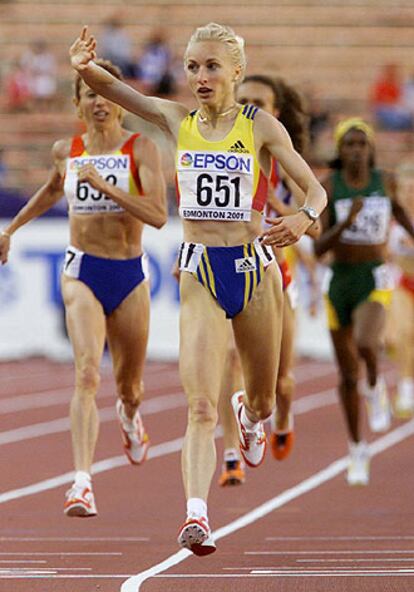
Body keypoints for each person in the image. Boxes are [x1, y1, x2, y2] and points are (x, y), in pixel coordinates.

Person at [69, 23, 327, 555]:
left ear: (236, 70)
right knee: (200, 406)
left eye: (211, 66)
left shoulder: (260, 126)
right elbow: (123, 93)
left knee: (260, 399)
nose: (201, 77)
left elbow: (315, 191)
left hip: (255, 271)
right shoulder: (177, 118)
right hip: (200, 272)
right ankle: (196, 515)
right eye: (191, 67)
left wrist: (303, 219)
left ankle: (252, 418)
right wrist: (83, 67)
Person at [0, 59, 167, 516]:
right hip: (81, 271)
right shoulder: (66, 150)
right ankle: (82, 483)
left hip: (129, 272)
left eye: (105, 93)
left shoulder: (141, 149)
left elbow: (157, 215)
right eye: (89, 93)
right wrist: (11, 229)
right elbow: (54, 190)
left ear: (119, 101)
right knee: (88, 373)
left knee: (130, 387)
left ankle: (131, 416)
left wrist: (106, 186)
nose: (98, 101)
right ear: (78, 103)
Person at [217, 74, 318, 487]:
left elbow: (314, 225)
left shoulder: (285, 161)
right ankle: (229, 457)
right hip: (230, 268)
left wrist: (278, 206)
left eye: (259, 101)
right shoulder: (220, 147)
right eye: (243, 100)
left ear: (275, 112)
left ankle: (282, 419)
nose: (249, 107)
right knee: (231, 359)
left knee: (281, 382)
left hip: (277, 275)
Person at [314, 117, 414, 486]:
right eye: (349, 144)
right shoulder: (329, 186)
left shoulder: (383, 182)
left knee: (367, 343)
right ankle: (357, 447)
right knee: (345, 375)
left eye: (362, 143)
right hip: (339, 280)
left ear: (370, 149)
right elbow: (319, 246)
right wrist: (346, 221)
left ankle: (375, 386)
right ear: (340, 151)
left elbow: (401, 215)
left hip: (373, 276)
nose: (356, 150)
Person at [388, 162, 414, 417]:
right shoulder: (392, 220)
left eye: (413, 189)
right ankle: (405, 391)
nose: (410, 194)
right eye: (405, 189)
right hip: (403, 284)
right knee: (404, 334)